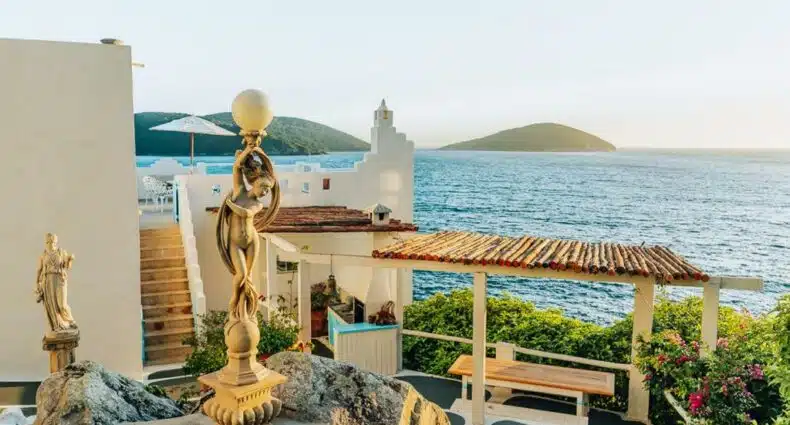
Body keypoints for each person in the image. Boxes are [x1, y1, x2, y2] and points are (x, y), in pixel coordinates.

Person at [216, 145, 280, 320]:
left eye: (268, 190)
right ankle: (235, 299)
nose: (265, 192)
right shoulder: (239, 191)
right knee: (241, 274)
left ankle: (248, 310)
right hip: (235, 242)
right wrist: (249, 151)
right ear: (255, 183)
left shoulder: (258, 204)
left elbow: (246, 213)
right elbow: (236, 167)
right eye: (263, 187)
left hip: (252, 240)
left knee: (249, 277)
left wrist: (229, 204)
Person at [35, 233, 78, 335]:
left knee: (62, 304)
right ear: (46, 242)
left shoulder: (61, 252)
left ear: (56, 241)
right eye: (49, 241)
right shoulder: (43, 255)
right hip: (48, 281)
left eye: (53, 241)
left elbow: (67, 266)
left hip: (60, 279)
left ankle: (70, 321)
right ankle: (57, 325)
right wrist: (37, 283)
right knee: (52, 305)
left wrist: (70, 259)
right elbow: (39, 269)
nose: (51, 243)